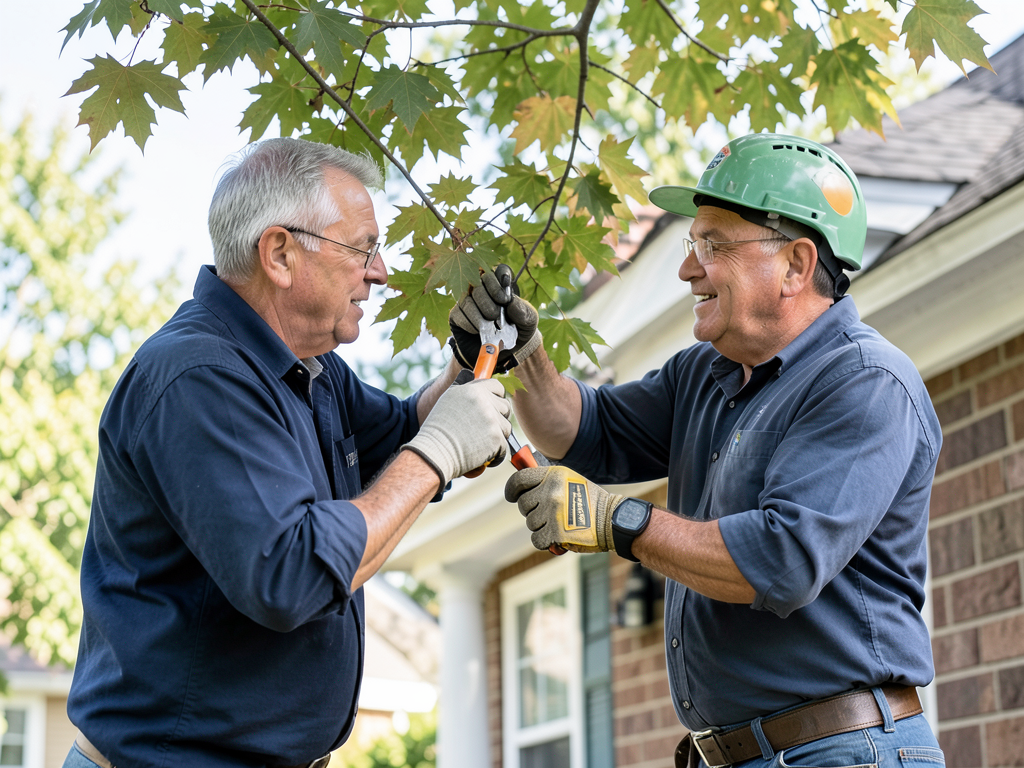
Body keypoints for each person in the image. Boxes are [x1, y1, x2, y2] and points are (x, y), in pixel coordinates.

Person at [449, 134, 945, 768]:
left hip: (845, 752)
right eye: (693, 245)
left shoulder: (865, 381)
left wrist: (615, 522)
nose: (688, 268)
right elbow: (582, 430)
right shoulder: (703, 373)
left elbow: (782, 559)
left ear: (795, 264)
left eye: (714, 246)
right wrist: (524, 350)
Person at [64, 138, 512, 768]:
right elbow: (290, 573)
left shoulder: (312, 368)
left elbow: (394, 438)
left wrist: (462, 371)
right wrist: (440, 450)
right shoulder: (197, 378)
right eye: (362, 249)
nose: (379, 272)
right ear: (279, 253)